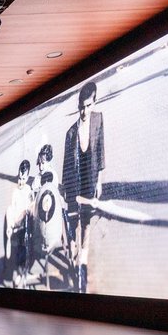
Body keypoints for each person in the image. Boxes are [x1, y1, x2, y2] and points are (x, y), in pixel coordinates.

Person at [61, 81, 106, 293]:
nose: (84, 111)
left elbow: (101, 150)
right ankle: (74, 248)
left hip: (90, 177)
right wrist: (66, 191)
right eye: (81, 107)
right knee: (74, 221)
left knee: (87, 219)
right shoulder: (71, 133)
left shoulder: (98, 119)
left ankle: (83, 261)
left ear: (94, 103)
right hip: (75, 181)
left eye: (88, 106)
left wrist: (100, 181)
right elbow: (66, 164)